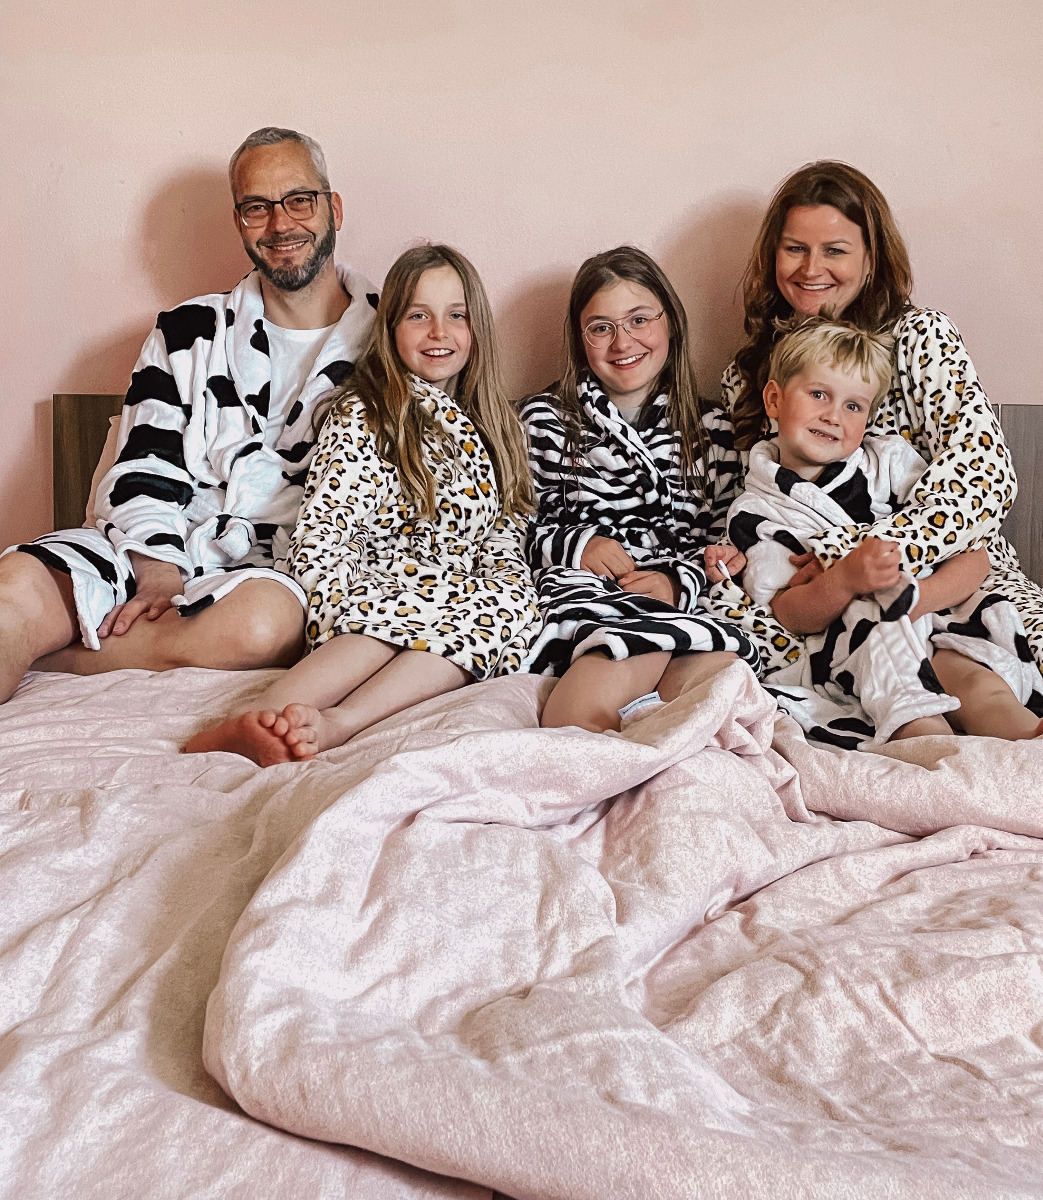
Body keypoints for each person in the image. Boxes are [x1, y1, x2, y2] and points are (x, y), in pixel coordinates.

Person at [0, 127, 378, 703]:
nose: (280, 224)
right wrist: (158, 568)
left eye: (300, 200)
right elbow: (141, 468)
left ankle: (54, 655)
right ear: (239, 223)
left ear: (335, 209)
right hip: (152, 545)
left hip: (272, 575)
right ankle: (32, 635)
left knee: (263, 626)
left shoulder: (390, 344)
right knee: (16, 587)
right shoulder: (187, 331)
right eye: (257, 207)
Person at [185, 244, 541, 766]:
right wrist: (331, 594)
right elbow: (328, 522)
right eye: (418, 316)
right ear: (390, 327)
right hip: (369, 582)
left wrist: (504, 583)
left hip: (462, 592)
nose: (438, 332)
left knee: (494, 616)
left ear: (477, 328)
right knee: (390, 624)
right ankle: (253, 717)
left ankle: (340, 723)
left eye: (456, 316)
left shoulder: (496, 426)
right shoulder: (367, 413)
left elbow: (506, 528)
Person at [711, 159, 1043, 696]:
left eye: (835, 250)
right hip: (811, 593)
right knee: (757, 667)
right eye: (795, 248)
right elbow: (752, 498)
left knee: (1014, 664)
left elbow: (984, 478)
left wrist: (855, 554)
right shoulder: (747, 375)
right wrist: (727, 556)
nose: (811, 268)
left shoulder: (919, 338)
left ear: (871, 260)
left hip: (953, 570)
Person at [725, 317, 1043, 747]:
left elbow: (974, 554)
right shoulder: (757, 510)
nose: (833, 416)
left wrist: (916, 601)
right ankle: (926, 741)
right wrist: (844, 580)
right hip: (853, 649)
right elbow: (789, 613)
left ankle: (1024, 739)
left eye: (853, 406)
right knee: (878, 638)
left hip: (937, 612)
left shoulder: (889, 463)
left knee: (975, 680)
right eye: (818, 394)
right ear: (774, 399)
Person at [520, 245, 759, 734]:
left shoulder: (714, 428)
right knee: (578, 711)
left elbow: (725, 543)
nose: (622, 342)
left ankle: (660, 744)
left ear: (670, 321)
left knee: (724, 674)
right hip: (588, 595)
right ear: (579, 339)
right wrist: (580, 546)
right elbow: (509, 528)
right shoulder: (543, 422)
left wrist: (677, 581)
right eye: (601, 327)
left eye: (639, 320)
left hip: (682, 598)